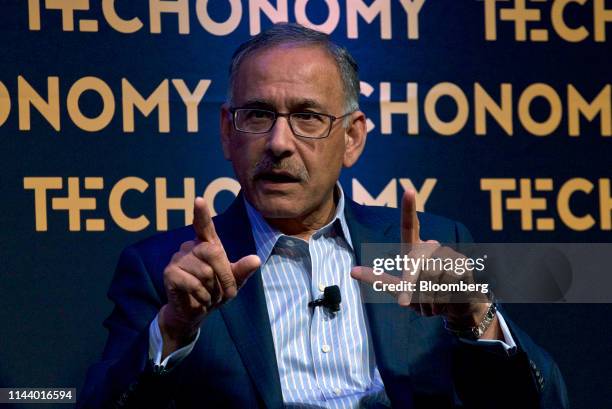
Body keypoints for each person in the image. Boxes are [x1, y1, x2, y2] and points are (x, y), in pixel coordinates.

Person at [80, 23, 568, 409]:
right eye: (257, 115)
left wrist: (476, 318)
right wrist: (174, 329)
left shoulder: (439, 245)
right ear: (228, 133)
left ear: (352, 138)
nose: (278, 143)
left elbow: (540, 402)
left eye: (308, 117)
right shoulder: (162, 269)